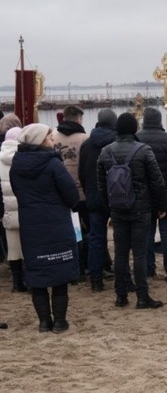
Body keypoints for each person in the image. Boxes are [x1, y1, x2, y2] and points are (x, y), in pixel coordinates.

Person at [10, 124, 80, 333]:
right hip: (56, 224)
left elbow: (18, 194)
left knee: (37, 274)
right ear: (40, 141)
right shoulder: (53, 164)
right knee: (59, 274)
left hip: (31, 226)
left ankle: (43, 321)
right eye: (49, 137)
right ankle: (59, 321)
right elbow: (71, 196)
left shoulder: (16, 167)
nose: (53, 140)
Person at [97, 113, 167, 309]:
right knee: (139, 253)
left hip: (117, 209)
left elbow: (101, 185)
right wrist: (161, 206)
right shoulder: (144, 151)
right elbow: (157, 181)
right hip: (141, 208)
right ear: (135, 129)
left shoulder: (105, 152)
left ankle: (121, 296)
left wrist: (108, 207)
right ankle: (142, 296)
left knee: (120, 253)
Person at [136, 107, 167, 281]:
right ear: (159, 121)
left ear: (144, 121)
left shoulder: (138, 139)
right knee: (166, 232)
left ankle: (149, 269)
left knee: (148, 233)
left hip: (145, 194)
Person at [78, 108, 118, 292]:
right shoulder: (118, 142)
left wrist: (89, 192)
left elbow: (82, 173)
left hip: (94, 197)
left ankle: (95, 279)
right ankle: (123, 276)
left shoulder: (87, 144)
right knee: (121, 238)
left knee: (96, 238)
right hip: (118, 197)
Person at [51, 105, 89, 281]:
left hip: (61, 194)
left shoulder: (52, 137)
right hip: (82, 192)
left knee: (71, 231)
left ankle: (73, 265)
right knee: (87, 229)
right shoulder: (84, 138)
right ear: (78, 119)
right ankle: (86, 263)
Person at [1, 126, 28, 293]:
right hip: (25, 207)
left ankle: (16, 282)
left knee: (13, 248)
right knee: (28, 246)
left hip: (7, 209)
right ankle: (29, 279)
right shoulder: (23, 157)